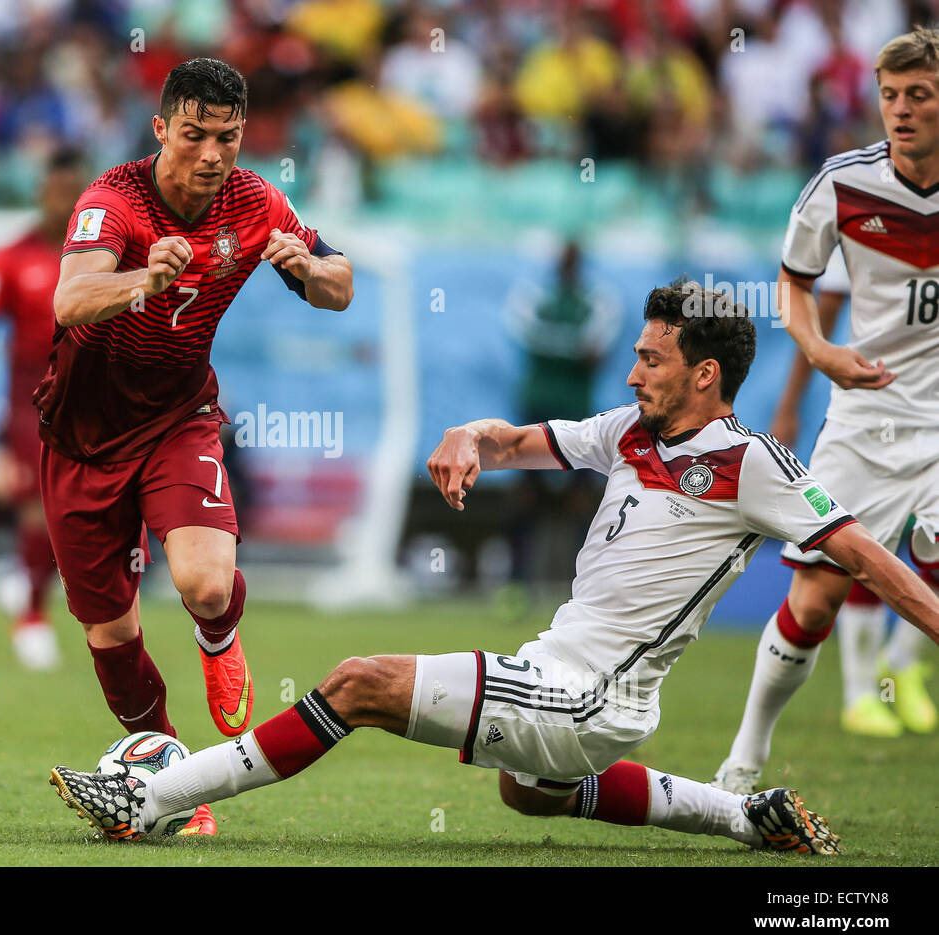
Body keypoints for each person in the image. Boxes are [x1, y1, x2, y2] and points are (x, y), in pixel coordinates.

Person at [49, 278, 939, 855]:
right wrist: (466, 437)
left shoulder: (752, 464)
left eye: (650, 359)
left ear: (705, 376)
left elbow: (865, 555)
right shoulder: (629, 433)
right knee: (531, 798)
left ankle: (152, 797)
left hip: (594, 697)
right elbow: (516, 439)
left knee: (358, 682)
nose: (632, 373)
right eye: (635, 354)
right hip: (562, 670)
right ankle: (744, 817)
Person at [42, 57, 351, 835]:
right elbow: (71, 298)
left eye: (229, 138)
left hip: (178, 420)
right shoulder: (113, 198)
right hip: (80, 442)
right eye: (194, 135)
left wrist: (308, 267)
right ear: (161, 130)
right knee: (111, 635)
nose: (212, 156)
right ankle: (178, 783)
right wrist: (143, 279)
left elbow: (342, 286)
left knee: (207, 586)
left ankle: (219, 637)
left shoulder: (254, 201)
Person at [713, 28, 939, 793]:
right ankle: (744, 759)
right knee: (815, 598)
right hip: (869, 419)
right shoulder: (842, 185)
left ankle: (896, 684)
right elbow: (796, 283)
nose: (900, 111)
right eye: (889, 96)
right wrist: (818, 351)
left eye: (919, 95)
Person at [768, 248, 936, 739]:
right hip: (874, 414)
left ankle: (902, 661)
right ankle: (861, 692)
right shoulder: (862, 205)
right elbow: (821, 313)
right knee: (863, 547)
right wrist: (791, 401)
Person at [0, 149, 84, 671]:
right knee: (37, 504)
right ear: (40, 194)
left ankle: (30, 585)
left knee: (76, 510)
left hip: (90, 399)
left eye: (71, 193)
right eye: (54, 192)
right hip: (29, 397)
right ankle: (31, 616)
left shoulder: (102, 255)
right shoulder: (11, 258)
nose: (62, 203)